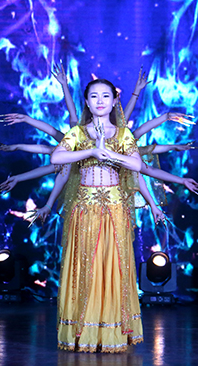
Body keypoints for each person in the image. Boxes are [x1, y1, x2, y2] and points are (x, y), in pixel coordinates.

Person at [50, 78, 144, 353]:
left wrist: (109, 155)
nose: (100, 101)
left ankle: (112, 333)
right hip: (85, 210)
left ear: (114, 101)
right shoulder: (78, 133)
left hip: (115, 209)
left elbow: (137, 165)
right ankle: (82, 333)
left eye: (105, 96)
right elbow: (56, 158)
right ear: (87, 103)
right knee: (84, 267)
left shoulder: (123, 134)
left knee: (113, 267)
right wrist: (92, 150)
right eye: (94, 96)